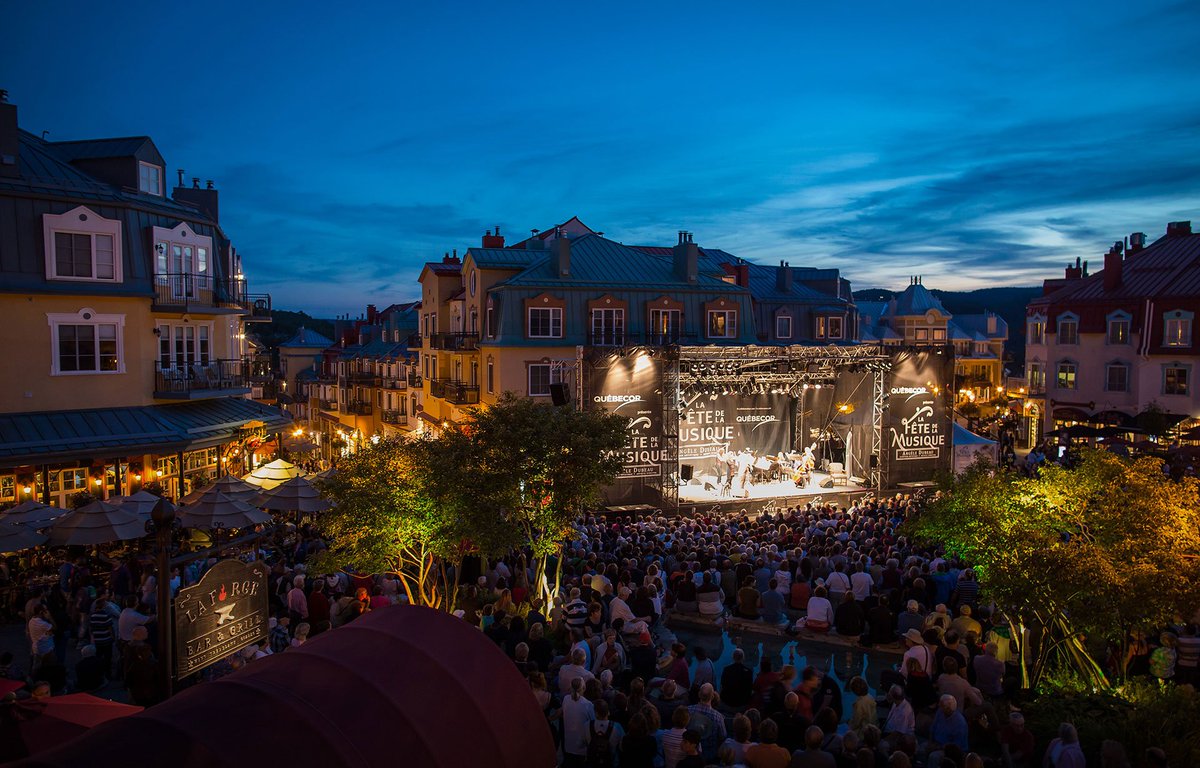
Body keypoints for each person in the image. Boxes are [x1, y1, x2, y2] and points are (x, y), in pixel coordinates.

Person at [562, 676, 596, 767]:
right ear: (584, 688)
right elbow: (593, 723)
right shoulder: (588, 705)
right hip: (582, 748)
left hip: (568, 745)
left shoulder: (566, 699)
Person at [926, 695, 968, 767]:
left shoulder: (960, 723)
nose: (939, 706)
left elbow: (955, 747)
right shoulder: (940, 712)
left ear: (948, 709)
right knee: (920, 749)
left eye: (941, 705)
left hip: (950, 751)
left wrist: (937, 748)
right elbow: (932, 729)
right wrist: (930, 743)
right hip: (936, 743)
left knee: (934, 757)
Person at [587, 698, 623, 768]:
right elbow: (622, 746)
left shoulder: (587, 725)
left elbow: (582, 743)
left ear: (596, 713)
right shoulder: (617, 727)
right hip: (612, 763)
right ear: (608, 712)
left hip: (593, 763)